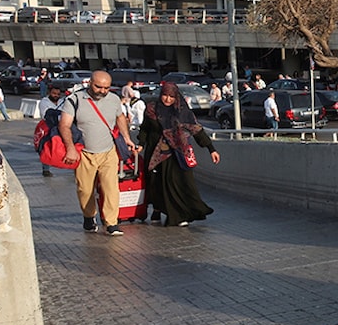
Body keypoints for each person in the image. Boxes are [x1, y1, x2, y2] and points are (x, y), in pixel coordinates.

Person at [58, 70, 139, 237]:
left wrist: (126, 138)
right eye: (98, 86)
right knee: (85, 190)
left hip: (108, 152)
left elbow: (120, 118)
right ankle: (89, 216)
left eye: (106, 88)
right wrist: (70, 148)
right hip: (85, 154)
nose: (102, 91)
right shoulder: (74, 100)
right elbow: (64, 125)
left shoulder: (114, 100)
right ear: (89, 83)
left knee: (111, 188)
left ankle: (111, 223)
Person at [139, 82, 220, 227]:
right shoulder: (152, 109)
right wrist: (141, 144)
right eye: (165, 95)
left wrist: (211, 149)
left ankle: (178, 215)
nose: (167, 99)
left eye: (171, 96)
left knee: (177, 184)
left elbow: (197, 130)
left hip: (176, 153)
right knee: (155, 183)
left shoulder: (182, 111)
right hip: (155, 154)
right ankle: (157, 210)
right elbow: (145, 129)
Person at [37, 85, 66, 176]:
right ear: (49, 93)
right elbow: (46, 114)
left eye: (58, 94)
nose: (56, 95)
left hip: (61, 127)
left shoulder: (63, 102)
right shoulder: (44, 102)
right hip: (48, 127)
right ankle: (46, 169)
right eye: (54, 93)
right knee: (47, 147)